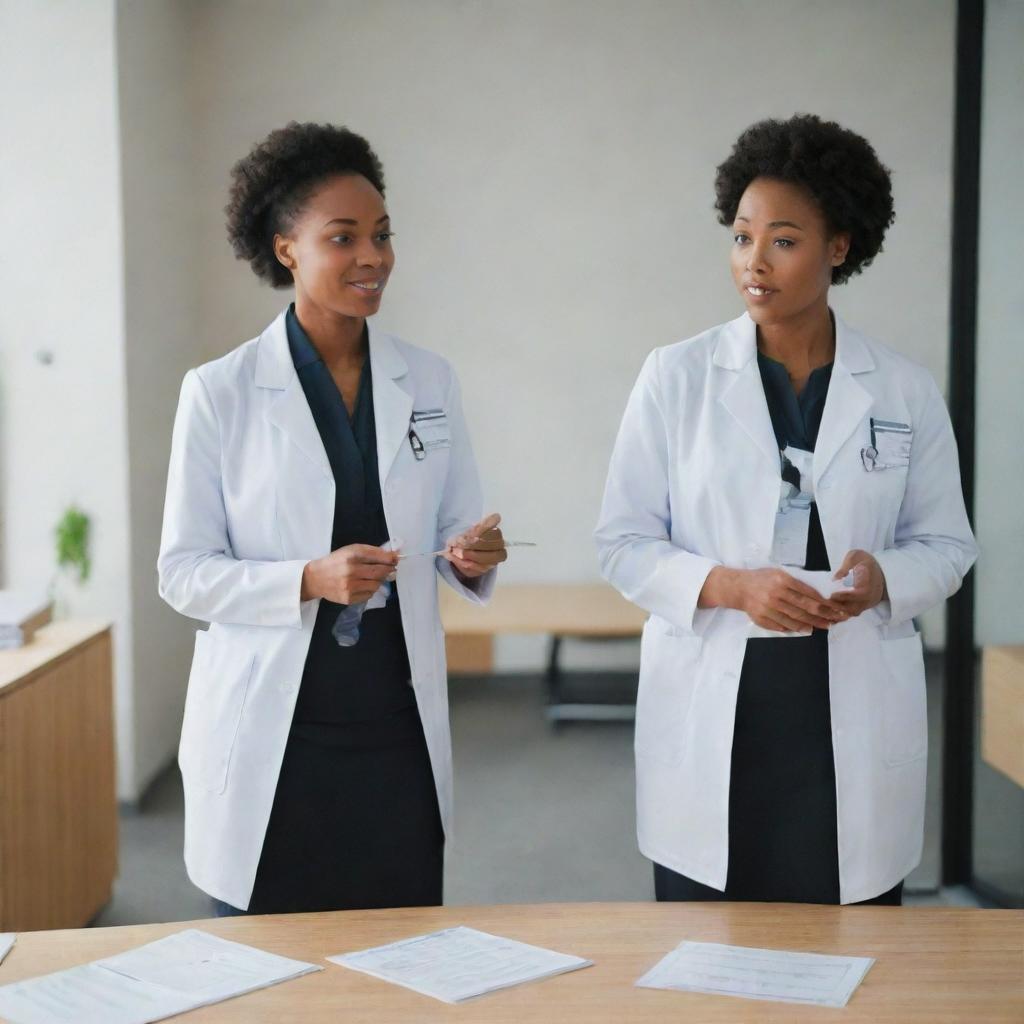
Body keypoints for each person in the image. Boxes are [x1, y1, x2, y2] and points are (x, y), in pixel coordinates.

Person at [594, 114, 977, 905]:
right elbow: (623, 543)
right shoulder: (676, 377)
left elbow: (946, 545)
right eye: (742, 237)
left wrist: (883, 577)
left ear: (840, 247)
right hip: (719, 704)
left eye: (784, 240)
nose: (754, 263)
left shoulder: (901, 388)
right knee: (707, 948)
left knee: (852, 948)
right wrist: (732, 587)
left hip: (847, 704)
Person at [158, 122, 506, 915]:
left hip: (395, 727)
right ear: (286, 249)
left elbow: (461, 534)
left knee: (403, 956)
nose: (373, 257)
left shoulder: (428, 380)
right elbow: (182, 573)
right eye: (343, 237)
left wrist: (475, 553)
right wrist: (309, 579)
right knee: (269, 968)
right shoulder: (220, 391)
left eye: (382, 236)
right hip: (276, 733)